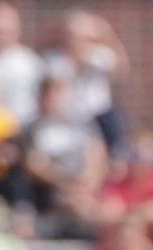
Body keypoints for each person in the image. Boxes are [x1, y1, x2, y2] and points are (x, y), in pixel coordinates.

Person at [23, 76, 107, 221]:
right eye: (48, 95)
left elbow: (96, 153)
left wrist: (87, 179)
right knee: (77, 203)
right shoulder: (33, 128)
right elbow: (34, 165)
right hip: (53, 189)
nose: (54, 100)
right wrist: (66, 182)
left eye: (58, 94)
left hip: (85, 186)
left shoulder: (82, 124)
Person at [47, 9, 127, 152]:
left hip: (99, 118)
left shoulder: (99, 54)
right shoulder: (55, 60)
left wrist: (107, 34)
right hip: (69, 120)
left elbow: (120, 71)